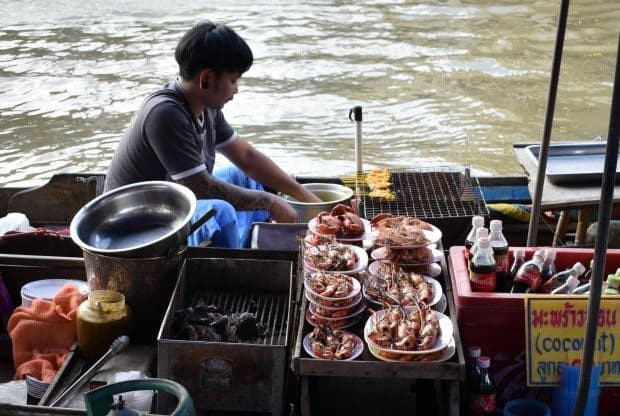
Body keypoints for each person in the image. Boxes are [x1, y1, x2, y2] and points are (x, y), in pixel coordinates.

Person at [104, 21, 320, 248]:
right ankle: (237, 270)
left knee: (243, 175)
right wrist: (271, 202)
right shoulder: (165, 114)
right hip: (137, 227)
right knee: (223, 211)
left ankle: (247, 237)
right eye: (233, 80)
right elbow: (201, 188)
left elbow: (246, 157)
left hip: (171, 202)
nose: (236, 89)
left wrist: (305, 196)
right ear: (206, 79)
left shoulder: (206, 107)